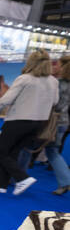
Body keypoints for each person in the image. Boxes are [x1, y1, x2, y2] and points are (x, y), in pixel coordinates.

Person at [0, 50, 59, 195]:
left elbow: (6, 100)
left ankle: (22, 178)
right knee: (12, 152)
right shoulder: (53, 81)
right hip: (39, 122)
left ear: (31, 62)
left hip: (18, 120)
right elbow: (55, 102)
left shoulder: (24, 78)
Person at [46, 55, 70, 195]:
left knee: (26, 147)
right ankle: (65, 182)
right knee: (53, 152)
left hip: (52, 122)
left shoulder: (57, 83)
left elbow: (54, 103)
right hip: (63, 121)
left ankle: (17, 177)